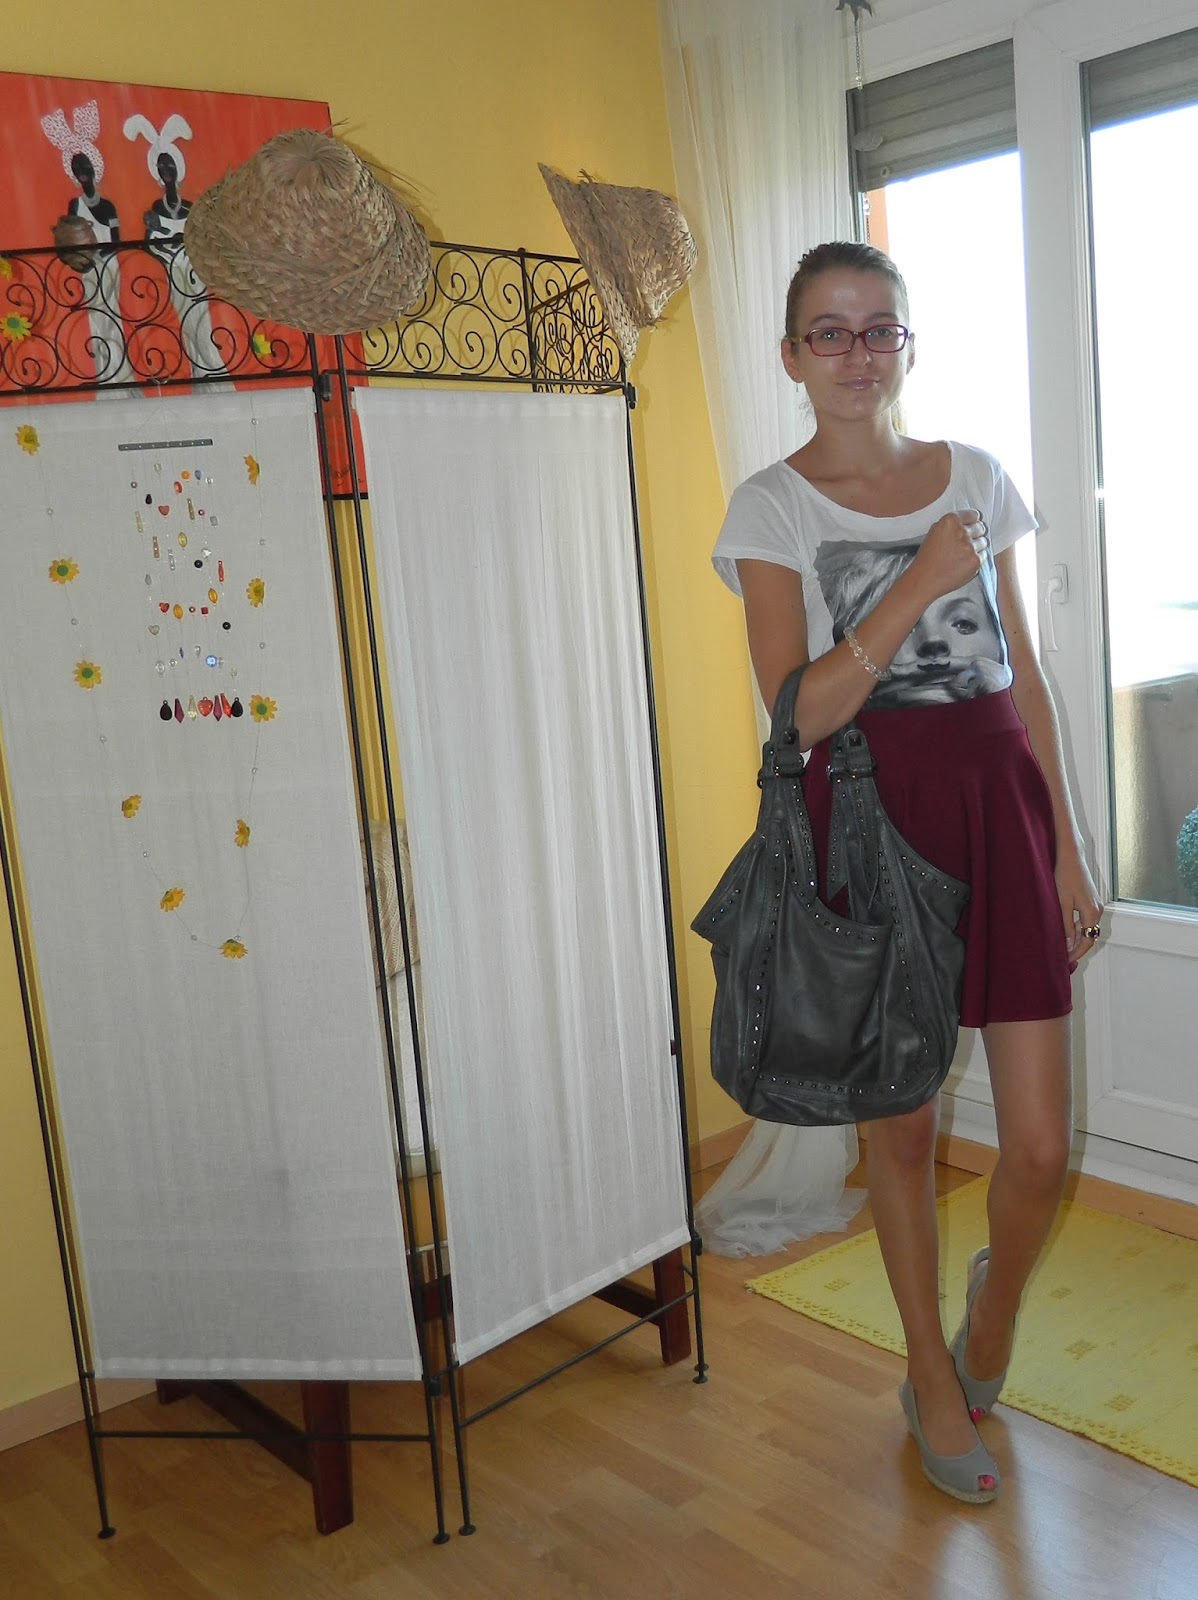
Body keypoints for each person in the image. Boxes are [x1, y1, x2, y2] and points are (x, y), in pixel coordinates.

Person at [711, 240, 1103, 1504]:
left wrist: (1066, 848)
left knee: (1034, 1146)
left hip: (999, 809)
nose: (856, 352)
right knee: (904, 1127)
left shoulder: (975, 475)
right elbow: (796, 715)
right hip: (873, 830)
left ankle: (990, 1315)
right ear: (791, 355)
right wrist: (919, 582)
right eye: (828, 332)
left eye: (878, 327)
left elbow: (1022, 677)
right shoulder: (771, 507)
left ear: (907, 344)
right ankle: (929, 1371)